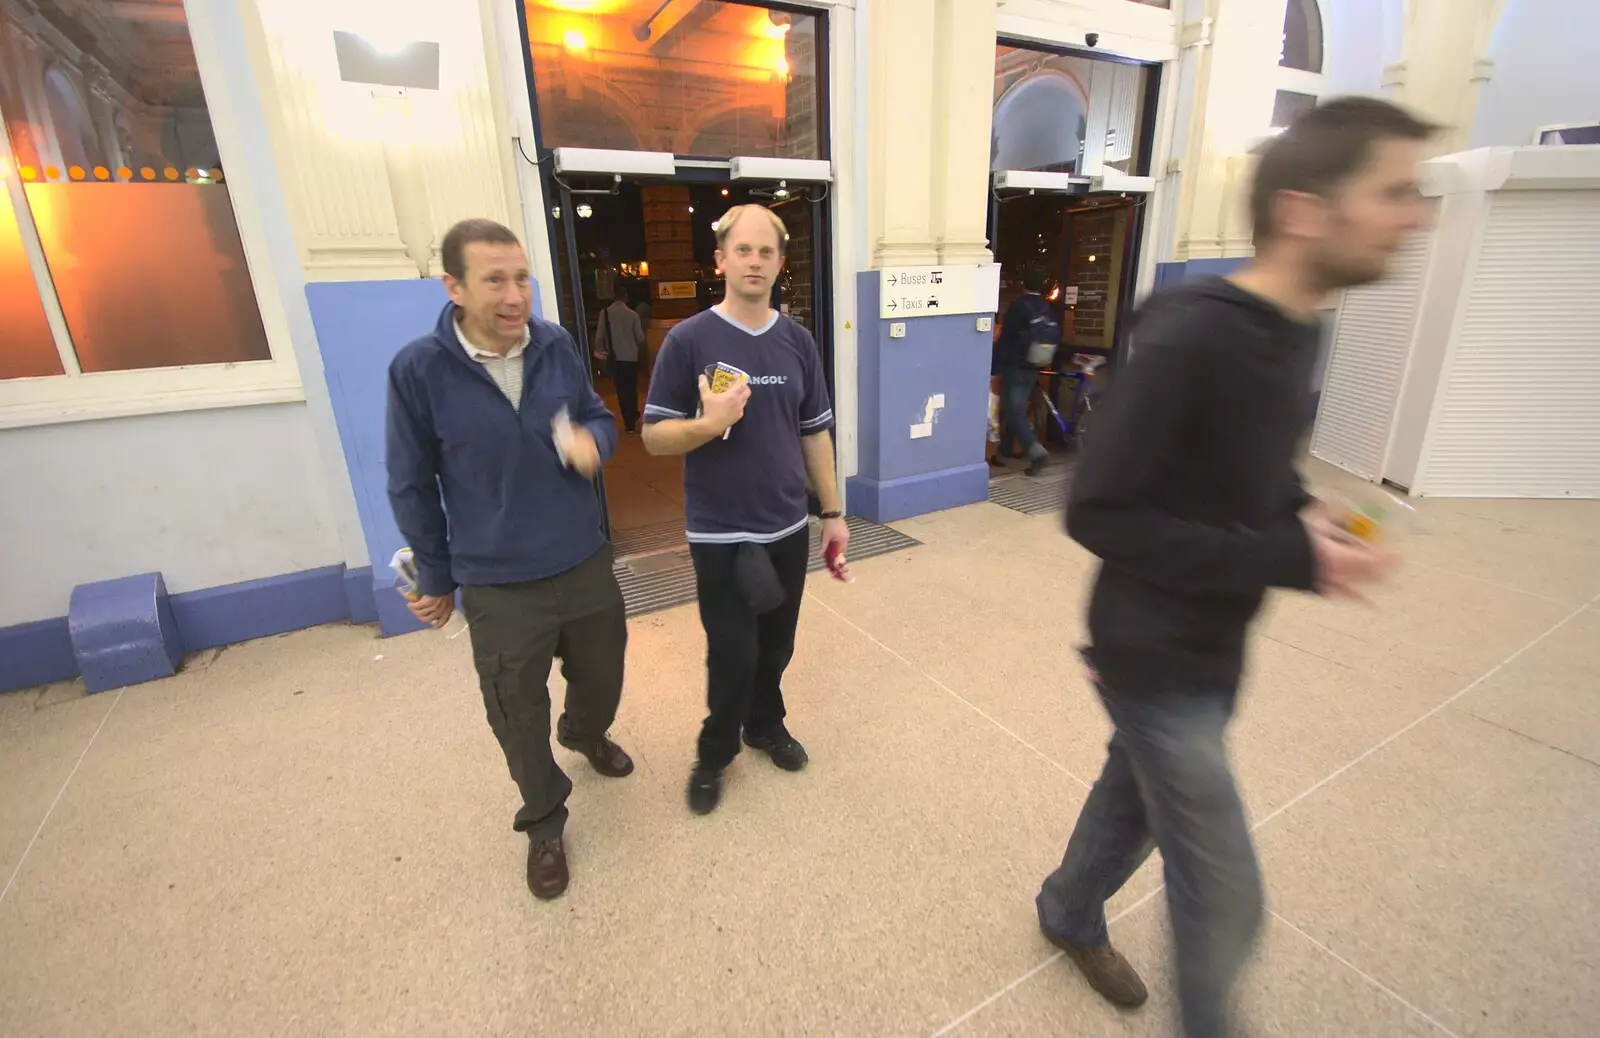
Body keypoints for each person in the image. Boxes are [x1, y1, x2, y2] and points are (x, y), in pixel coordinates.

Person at [1034, 97, 1433, 1037]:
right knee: (1223, 892)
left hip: (1214, 643)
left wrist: (1303, 509)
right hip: (1151, 653)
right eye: (1394, 191)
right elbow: (1097, 509)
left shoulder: (1295, 330)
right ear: (1304, 210)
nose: (1415, 216)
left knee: (1132, 801)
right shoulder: (1194, 331)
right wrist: (1292, 554)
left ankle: (1065, 909)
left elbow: (1251, 467)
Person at [386, 218, 634, 903]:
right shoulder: (419, 371)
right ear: (455, 286)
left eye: (521, 277)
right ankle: (545, 822)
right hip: (497, 582)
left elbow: (601, 418)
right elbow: (410, 482)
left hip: (580, 558)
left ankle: (584, 731)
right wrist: (435, 579)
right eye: (494, 279)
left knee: (604, 672)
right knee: (515, 710)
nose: (514, 294)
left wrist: (595, 441)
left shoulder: (555, 346)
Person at [639, 203, 848, 816]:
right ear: (721, 260)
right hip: (720, 533)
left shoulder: (797, 341)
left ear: (781, 263)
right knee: (733, 651)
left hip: (786, 525)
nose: (754, 261)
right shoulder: (689, 340)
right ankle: (715, 751)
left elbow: (815, 432)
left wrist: (831, 512)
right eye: (743, 250)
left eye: (766, 251)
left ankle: (764, 723)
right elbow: (653, 437)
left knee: (777, 644)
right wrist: (708, 424)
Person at [994, 265, 1057, 476]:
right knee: (1015, 409)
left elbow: (1006, 338)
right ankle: (1004, 453)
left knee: (1013, 411)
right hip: (1035, 366)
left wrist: (995, 366)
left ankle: (1036, 452)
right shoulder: (1047, 307)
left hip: (1016, 366)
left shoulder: (1019, 306)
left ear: (1023, 284)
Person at [594, 293, 646, 433]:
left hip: (615, 358)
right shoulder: (633, 315)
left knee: (621, 390)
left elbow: (600, 335)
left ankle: (628, 421)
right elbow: (640, 338)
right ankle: (633, 414)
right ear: (626, 298)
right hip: (631, 357)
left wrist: (599, 350)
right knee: (631, 388)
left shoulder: (604, 314)